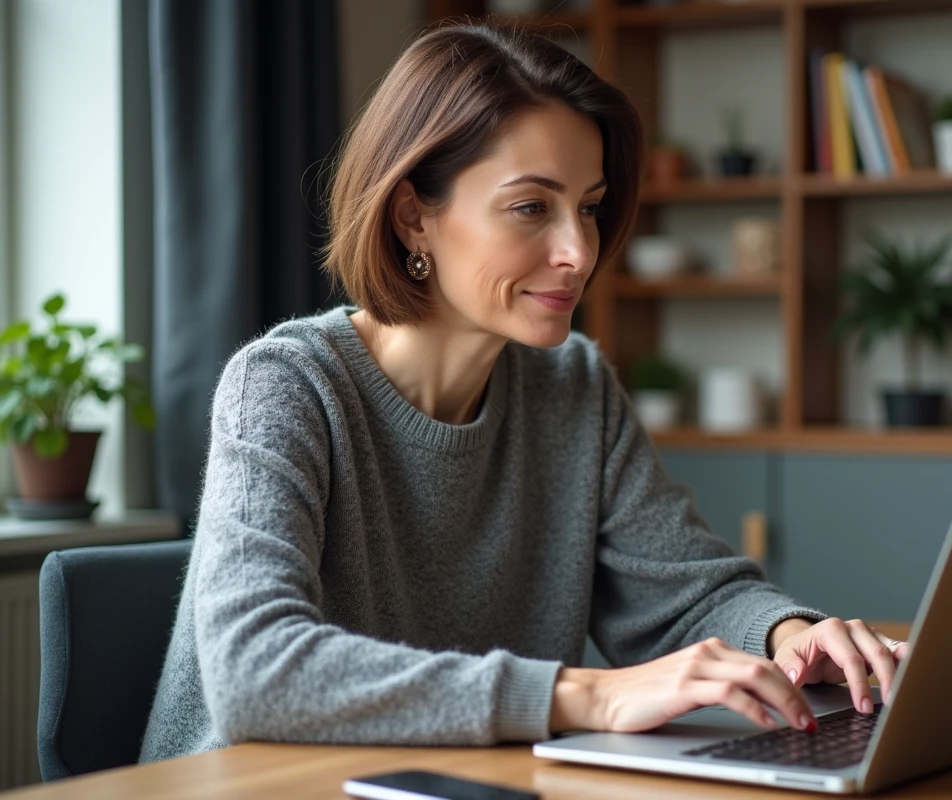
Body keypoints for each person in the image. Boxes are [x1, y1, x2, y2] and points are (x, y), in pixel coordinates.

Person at [139, 21, 909, 763]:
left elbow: (683, 598)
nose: (578, 252)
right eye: (531, 207)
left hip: (457, 781)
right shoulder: (286, 385)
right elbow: (255, 672)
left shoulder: (572, 387)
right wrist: (588, 696)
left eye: (589, 207)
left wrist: (783, 634)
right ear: (414, 217)